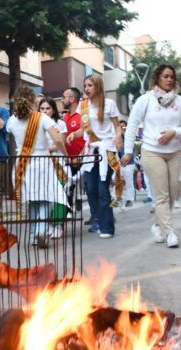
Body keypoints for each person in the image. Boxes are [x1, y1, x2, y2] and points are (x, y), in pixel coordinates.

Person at [122, 64, 181, 248]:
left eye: (172, 77)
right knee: (161, 195)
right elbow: (131, 125)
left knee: (173, 193)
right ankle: (170, 232)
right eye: (166, 76)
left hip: (175, 153)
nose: (169, 79)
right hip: (152, 152)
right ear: (157, 79)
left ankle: (157, 224)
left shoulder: (180, 101)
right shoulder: (146, 100)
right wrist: (128, 151)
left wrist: (174, 132)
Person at [7, 87, 68, 247]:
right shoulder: (41, 118)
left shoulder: (12, 120)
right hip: (41, 161)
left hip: (22, 163)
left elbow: (8, 131)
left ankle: (34, 236)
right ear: (33, 101)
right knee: (46, 199)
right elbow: (58, 139)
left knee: (32, 201)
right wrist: (66, 155)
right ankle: (41, 229)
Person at [68, 74, 123, 239]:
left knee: (102, 189)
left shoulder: (109, 104)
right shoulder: (83, 106)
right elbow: (84, 130)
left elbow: (117, 126)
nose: (86, 89)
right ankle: (98, 218)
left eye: (90, 85)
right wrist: (73, 135)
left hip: (106, 150)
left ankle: (107, 227)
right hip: (90, 151)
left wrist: (118, 137)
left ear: (98, 86)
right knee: (90, 189)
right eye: (85, 85)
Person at [39, 98, 71, 239]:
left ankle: (58, 225)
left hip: (58, 162)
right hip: (42, 163)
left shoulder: (60, 124)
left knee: (59, 195)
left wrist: (47, 149)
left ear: (53, 110)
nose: (45, 111)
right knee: (45, 196)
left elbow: (61, 142)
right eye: (42, 108)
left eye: (48, 108)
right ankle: (47, 225)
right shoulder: (36, 123)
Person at [61, 87, 87, 213]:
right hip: (66, 159)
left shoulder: (83, 115)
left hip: (81, 159)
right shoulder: (64, 117)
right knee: (68, 186)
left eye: (64, 97)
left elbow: (88, 137)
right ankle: (68, 210)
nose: (61, 100)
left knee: (83, 185)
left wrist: (80, 156)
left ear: (73, 99)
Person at [118, 120, 136, 208]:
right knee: (117, 181)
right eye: (120, 127)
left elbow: (131, 146)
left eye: (123, 127)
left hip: (129, 162)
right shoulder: (117, 137)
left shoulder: (129, 136)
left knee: (129, 182)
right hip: (118, 163)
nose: (122, 128)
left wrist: (125, 133)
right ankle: (117, 198)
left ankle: (130, 199)